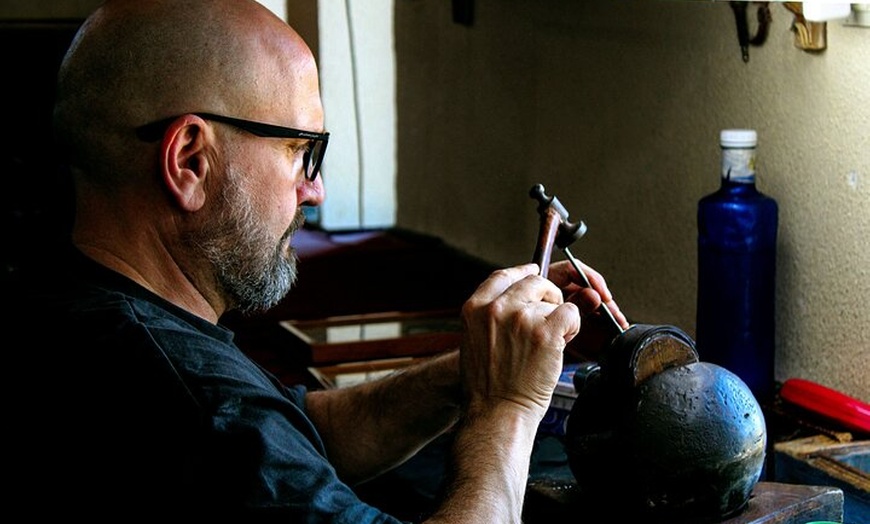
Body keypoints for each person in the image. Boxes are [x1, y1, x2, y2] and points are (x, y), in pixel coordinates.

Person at [4, 0, 627, 521]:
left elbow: (296, 428)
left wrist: (473, 371)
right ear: (191, 160)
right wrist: (508, 410)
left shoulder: (81, 297)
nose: (316, 189)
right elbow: (241, 430)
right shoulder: (195, 401)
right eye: (303, 150)